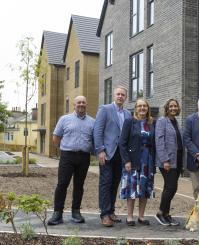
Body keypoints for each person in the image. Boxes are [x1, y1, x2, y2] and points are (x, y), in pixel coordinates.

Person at [47, 96, 95, 225]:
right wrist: (65, 148)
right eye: (78, 102)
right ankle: (57, 213)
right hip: (67, 156)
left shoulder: (92, 122)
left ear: (86, 104)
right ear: (74, 105)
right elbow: (56, 137)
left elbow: (94, 140)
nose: (81, 104)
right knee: (62, 184)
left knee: (79, 185)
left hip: (84, 157)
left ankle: (76, 212)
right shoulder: (64, 119)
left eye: (83, 102)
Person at [94, 86, 131, 227]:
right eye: (118, 94)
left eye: (123, 95)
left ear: (126, 97)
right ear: (114, 96)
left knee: (115, 183)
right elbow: (97, 130)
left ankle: (111, 211)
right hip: (107, 153)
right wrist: (100, 150)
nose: (120, 96)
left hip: (121, 155)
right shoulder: (105, 109)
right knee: (105, 183)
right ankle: (104, 214)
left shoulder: (128, 113)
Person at [119, 99, 155, 226]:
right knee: (132, 188)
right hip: (132, 160)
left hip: (147, 161)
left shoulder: (151, 122)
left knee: (144, 189)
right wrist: (126, 161)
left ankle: (141, 216)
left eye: (144, 106)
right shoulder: (130, 121)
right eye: (139, 106)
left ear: (148, 108)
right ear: (135, 108)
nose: (142, 108)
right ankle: (129, 217)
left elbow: (154, 144)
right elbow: (122, 143)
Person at [154, 99, 183, 226]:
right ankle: (161, 212)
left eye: (175, 106)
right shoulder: (162, 121)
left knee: (170, 187)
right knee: (171, 187)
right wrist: (165, 160)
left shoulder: (176, 122)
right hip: (167, 160)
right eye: (171, 106)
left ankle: (166, 213)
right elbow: (159, 141)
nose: (173, 108)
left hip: (178, 160)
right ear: (167, 108)